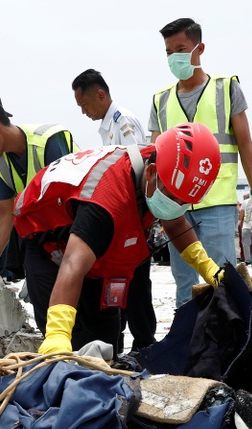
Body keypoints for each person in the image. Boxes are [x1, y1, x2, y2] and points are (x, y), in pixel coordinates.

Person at [13, 123, 223, 355]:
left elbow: (175, 223)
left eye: (184, 202)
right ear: (151, 173)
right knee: (70, 348)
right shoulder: (107, 200)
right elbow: (72, 265)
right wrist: (58, 335)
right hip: (46, 240)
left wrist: (208, 268)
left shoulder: (161, 168)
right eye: (174, 199)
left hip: (96, 248)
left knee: (105, 344)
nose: (178, 208)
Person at [149, 17, 252, 307]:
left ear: (199, 49)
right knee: (184, 283)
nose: (174, 57)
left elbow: (245, 142)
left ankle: (228, 344)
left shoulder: (226, 89)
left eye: (180, 48)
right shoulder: (160, 100)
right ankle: (186, 344)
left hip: (217, 204)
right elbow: (153, 155)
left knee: (224, 278)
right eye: (168, 52)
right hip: (176, 208)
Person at [71, 68, 156, 350]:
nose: (83, 112)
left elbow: (135, 168)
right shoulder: (108, 125)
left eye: (84, 105)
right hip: (120, 217)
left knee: (138, 282)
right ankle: (117, 340)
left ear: (100, 94)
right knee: (120, 281)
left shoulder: (124, 123)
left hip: (132, 215)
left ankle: (144, 342)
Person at [0, 93, 76, 282]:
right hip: (43, 233)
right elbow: (5, 213)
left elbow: (66, 207)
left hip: (76, 228)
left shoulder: (48, 141)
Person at [72, 68, 147, 146]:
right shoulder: (110, 124)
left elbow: (136, 157)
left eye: (84, 105)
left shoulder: (123, 120)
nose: (83, 112)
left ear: (101, 96)